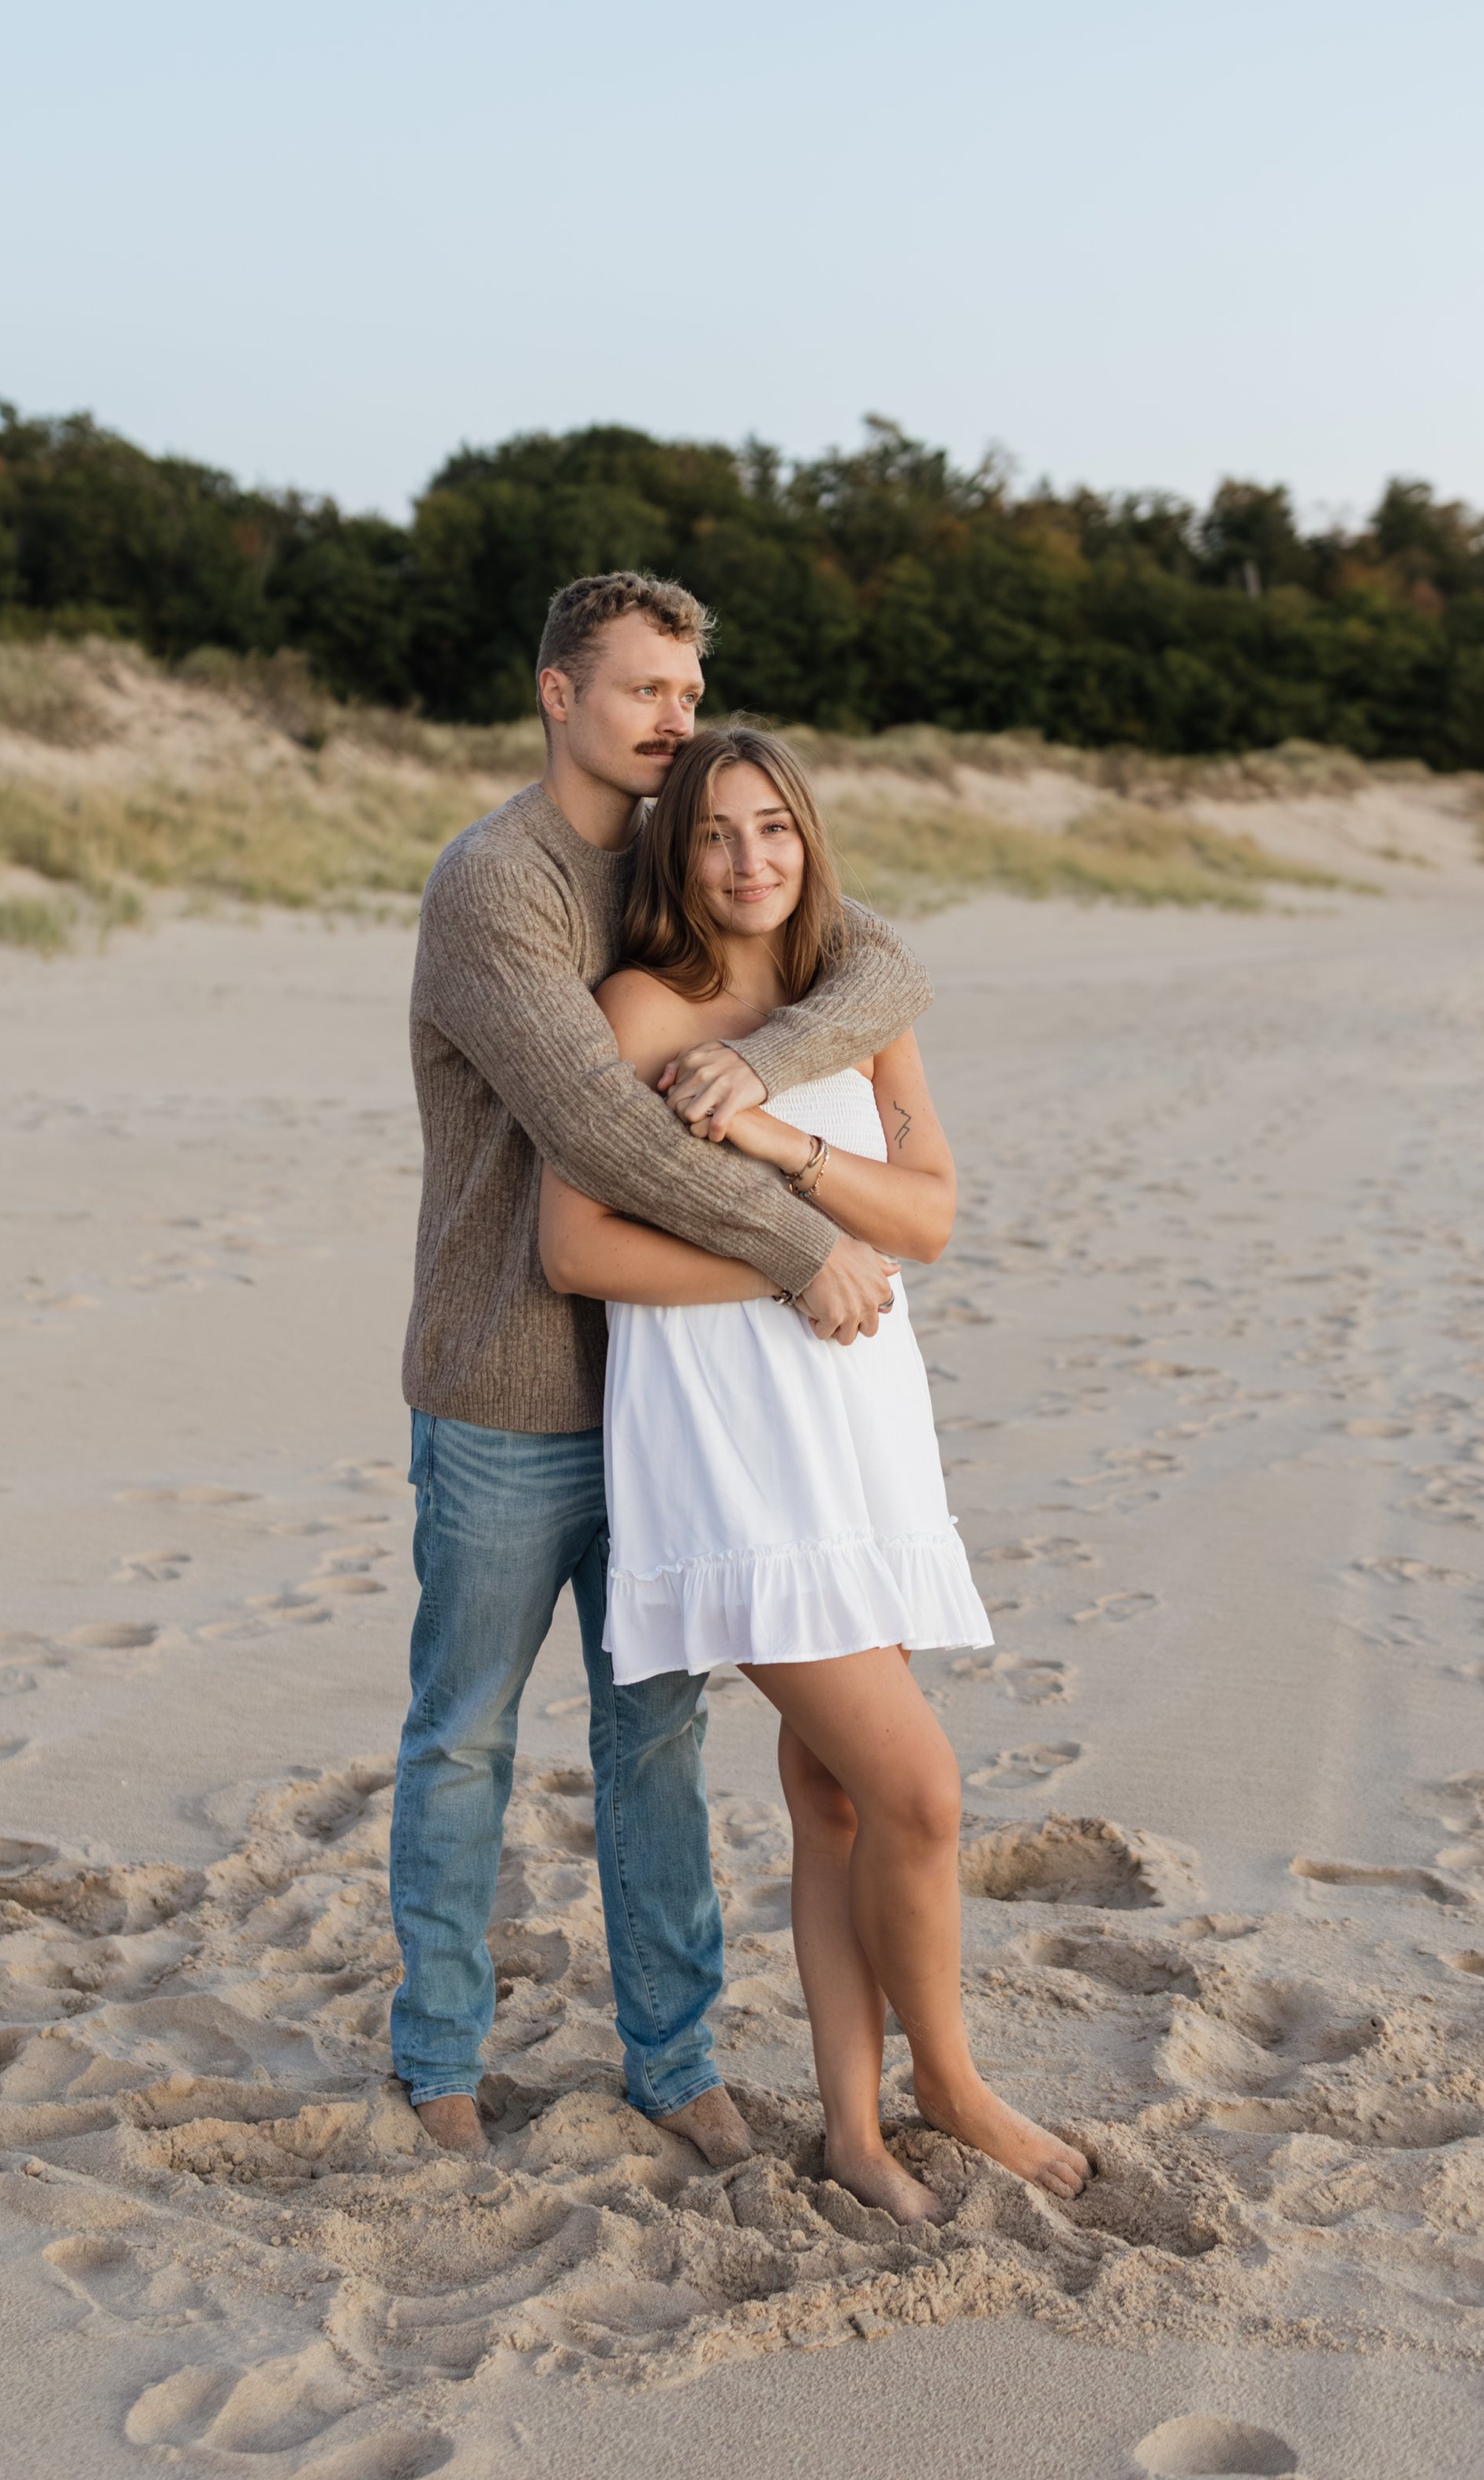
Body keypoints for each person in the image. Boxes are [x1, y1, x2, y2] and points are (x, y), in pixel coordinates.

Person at [389, 572, 933, 2159]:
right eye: (644, 691)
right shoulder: (496, 884)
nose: (674, 721)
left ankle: (675, 2062)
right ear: (557, 693)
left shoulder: (677, 848)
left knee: (656, 1746)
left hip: (668, 1403)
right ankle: (438, 2061)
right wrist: (799, 1249)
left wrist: (752, 1062)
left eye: (689, 694)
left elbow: (881, 968)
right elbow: (600, 1126)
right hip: (505, 1388)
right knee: (465, 1734)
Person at [539, 724, 1092, 2219]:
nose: (750, 860)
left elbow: (926, 1217)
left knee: (835, 1796)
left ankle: (854, 2127)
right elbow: (575, 1246)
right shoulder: (642, 1008)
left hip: (862, 1433)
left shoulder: (854, 1000)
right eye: (716, 832)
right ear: (677, 851)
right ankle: (951, 2086)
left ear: (810, 839)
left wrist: (784, 1147)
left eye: (775, 827)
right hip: (736, 1454)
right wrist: (792, 1269)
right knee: (921, 1789)